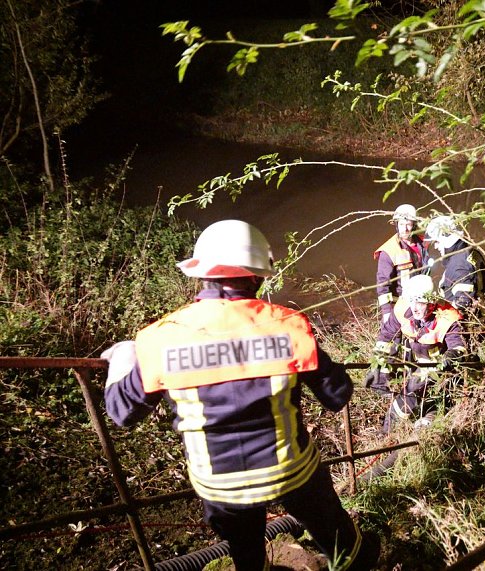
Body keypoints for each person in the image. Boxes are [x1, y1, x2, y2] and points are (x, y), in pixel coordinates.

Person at [100, 220, 378, 571]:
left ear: (200, 276)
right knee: (331, 525)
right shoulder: (288, 324)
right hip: (289, 470)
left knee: (245, 552)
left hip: (219, 485)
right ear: (259, 276)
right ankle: (354, 557)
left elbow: (123, 413)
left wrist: (124, 357)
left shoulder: (161, 337)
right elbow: (338, 394)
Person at [364, 274, 467, 434]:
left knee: (409, 394)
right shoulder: (403, 308)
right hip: (416, 360)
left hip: (439, 368)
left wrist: (449, 358)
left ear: (432, 302)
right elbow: (386, 335)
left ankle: (387, 431)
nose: (415, 307)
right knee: (413, 387)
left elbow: (459, 347)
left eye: (420, 302)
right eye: (411, 301)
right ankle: (395, 424)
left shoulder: (448, 318)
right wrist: (376, 364)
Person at [424, 215, 485, 333]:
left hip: (471, 327)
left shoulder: (459, 265)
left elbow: (463, 303)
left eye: (437, 242)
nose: (435, 246)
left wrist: (442, 324)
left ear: (447, 239)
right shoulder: (468, 251)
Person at [373, 204, 431, 325]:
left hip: (421, 302)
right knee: (396, 340)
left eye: (408, 224)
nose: (404, 229)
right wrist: (387, 312)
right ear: (396, 225)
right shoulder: (389, 251)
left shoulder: (423, 244)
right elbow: (383, 285)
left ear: (414, 225)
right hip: (401, 305)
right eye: (401, 224)